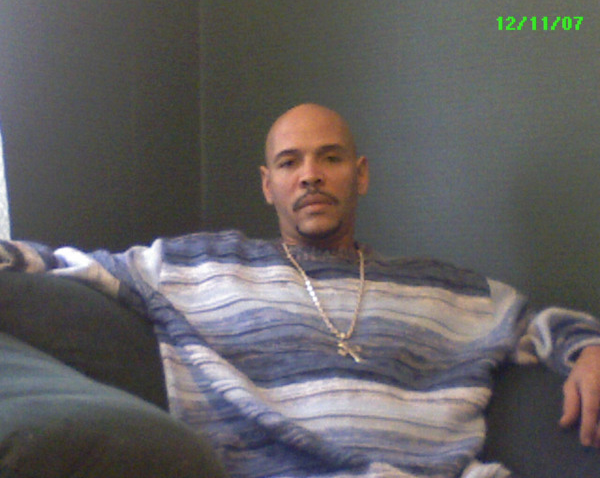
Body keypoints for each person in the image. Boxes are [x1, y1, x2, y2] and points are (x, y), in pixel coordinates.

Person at [2, 103, 600, 478]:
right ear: (269, 185)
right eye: (290, 163)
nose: (310, 174)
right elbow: (66, 263)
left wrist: (589, 351)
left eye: (329, 158)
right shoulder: (199, 266)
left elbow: (535, 321)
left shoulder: (443, 290)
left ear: (359, 175)